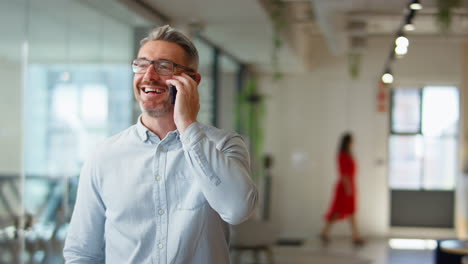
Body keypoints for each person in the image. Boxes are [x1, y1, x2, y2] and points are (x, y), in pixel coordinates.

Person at [63, 25, 258, 264]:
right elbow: (82, 253)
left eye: (164, 66)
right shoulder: (103, 156)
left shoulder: (224, 145)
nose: (149, 76)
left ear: (192, 81)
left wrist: (187, 124)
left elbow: (238, 209)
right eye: (142, 65)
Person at [320, 132, 364, 246]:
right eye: (352, 141)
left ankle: (355, 236)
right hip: (345, 187)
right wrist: (348, 188)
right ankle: (355, 236)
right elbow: (344, 173)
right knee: (339, 211)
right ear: (347, 142)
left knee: (350, 212)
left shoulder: (348, 155)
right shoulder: (342, 155)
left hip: (350, 185)